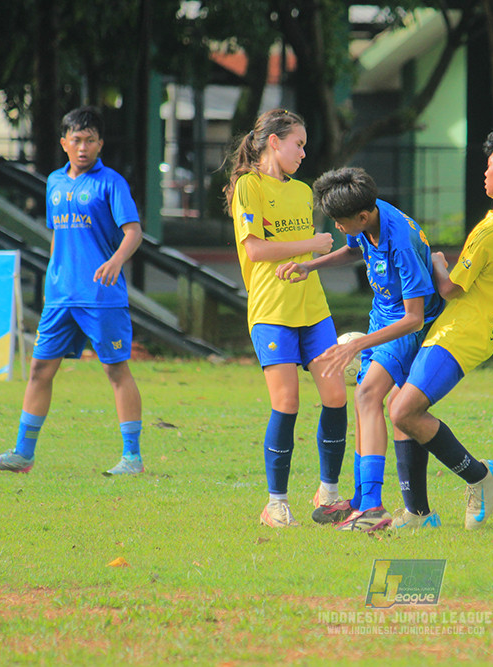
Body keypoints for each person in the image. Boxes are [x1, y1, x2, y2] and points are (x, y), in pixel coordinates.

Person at [388, 126, 493, 530]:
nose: (485, 172)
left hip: (463, 332)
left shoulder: (491, 233)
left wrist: (437, 260)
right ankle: (417, 513)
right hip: (475, 329)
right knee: (403, 405)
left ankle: (479, 476)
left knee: (404, 411)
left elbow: (450, 288)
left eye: (491, 165)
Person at [0, 106, 145, 476]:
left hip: (101, 295)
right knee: (39, 369)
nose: (82, 147)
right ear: (64, 143)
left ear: (100, 144)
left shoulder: (112, 183)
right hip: (61, 297)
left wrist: (116, 260)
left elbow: (134, 232)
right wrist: (53, 279)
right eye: (76, 140)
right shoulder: (54, 181)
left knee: (116, 370)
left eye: (89, 140)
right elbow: (58, 236)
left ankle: (132, 458)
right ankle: (23, 454)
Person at [276, 167, 445, 532]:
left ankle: (371, 506)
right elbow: (353, 250)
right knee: (367, 401)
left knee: (368, 395)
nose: (337, 227)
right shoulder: (368, 215)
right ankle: (364, 498)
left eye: (339, 221)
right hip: (382, 316)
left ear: (362, 216)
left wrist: (358, 345)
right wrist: (310, 266)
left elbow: (415, 317)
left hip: (406, 325)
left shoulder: (399, 240)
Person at [223, 108, 348, 528]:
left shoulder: (300, 191)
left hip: (313, 308)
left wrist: (311, 253)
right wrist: (311, 241)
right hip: (271, 310)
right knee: (287, 403)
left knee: (336, 396)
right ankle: (275, 504)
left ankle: (329, 492)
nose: (303, 152)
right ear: (274, 142)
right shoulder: (248, 187)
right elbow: (255, 249)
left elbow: (302, 257)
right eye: (298, 143)